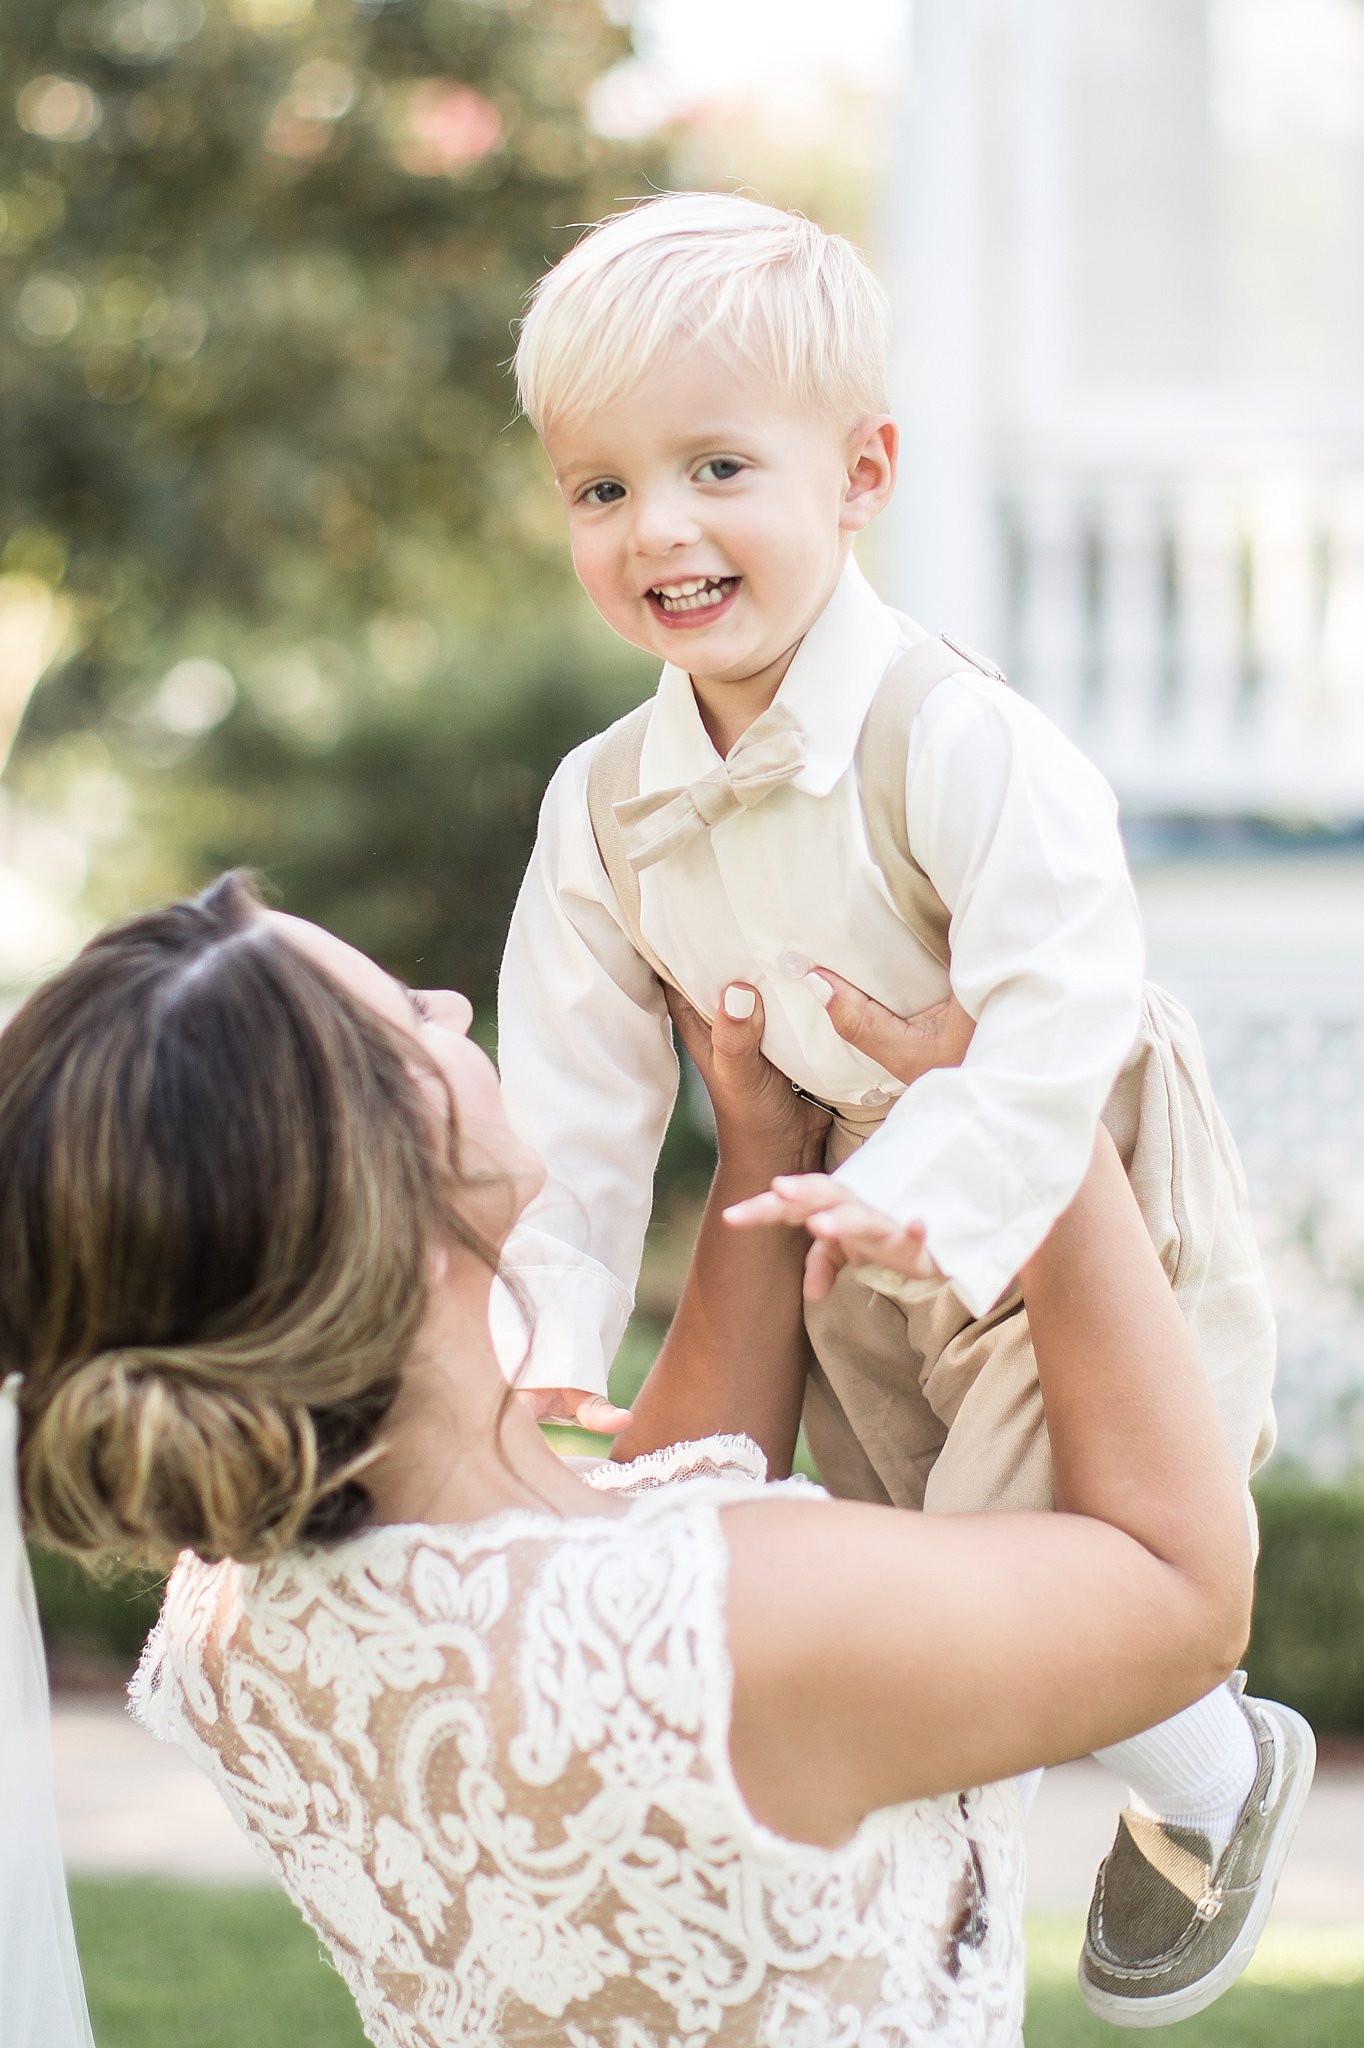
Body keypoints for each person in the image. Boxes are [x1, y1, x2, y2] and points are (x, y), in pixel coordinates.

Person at [0, 876, 1271, 2048]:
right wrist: (1029, 1114)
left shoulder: (240, 1630)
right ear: (391, 1179)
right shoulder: (745, 1623)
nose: (449, 1003)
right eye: (406, 1014)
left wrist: (757, 1149)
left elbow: (619, 1543)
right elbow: (1176, 1594)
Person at [497, 189, 1309, 2020]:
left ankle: (1167, 1790)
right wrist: (540, 1317)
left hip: (1052, 1191)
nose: (660, 529)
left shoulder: (950, 735)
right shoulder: (601, 803)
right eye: (601, 487)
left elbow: (1056, 1000)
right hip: (842, 1236)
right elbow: (570, 1095)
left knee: (996, 1597)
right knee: (902, 1588)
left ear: (859, 474)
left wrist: (943, 1179)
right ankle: (1144, 1803)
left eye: (717, 465)